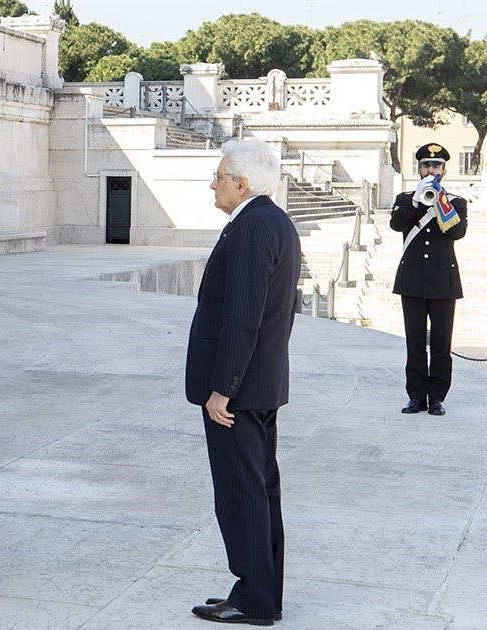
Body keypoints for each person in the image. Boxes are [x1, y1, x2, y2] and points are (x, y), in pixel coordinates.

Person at [186, 138, 300, 626]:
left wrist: (223, 387)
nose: (213, 184)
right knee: (257, 489)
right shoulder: (271, 220)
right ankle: (259, 591)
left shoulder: (253, 226)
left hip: (240, 390)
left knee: (242, 493)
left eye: (219, 177)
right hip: (259, 384)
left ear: (242, 183)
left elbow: (244, 316)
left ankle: (255, 600)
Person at [390, 143, 468, 416]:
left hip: (443, 283)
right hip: (411, 280)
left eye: (436, 166)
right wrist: (416, 200)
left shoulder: (455, 202)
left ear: (444, 170)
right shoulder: (405, 199)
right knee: (414, 342)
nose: (431, 169)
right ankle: (416, 396)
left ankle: (436, 397)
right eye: (426, 165)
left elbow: (457, 233)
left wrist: (441, 201)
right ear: (419, 168)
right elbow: (397, 225)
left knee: (441, 343)